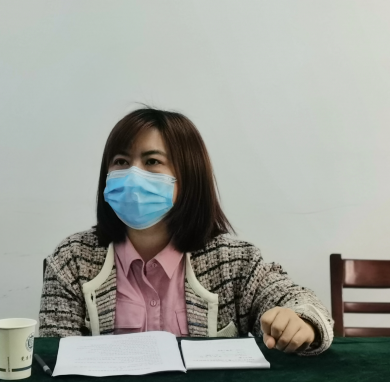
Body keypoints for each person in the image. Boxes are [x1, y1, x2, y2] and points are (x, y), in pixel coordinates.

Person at [39, 108, 334, 355]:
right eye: (121, 162)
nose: (133, 175)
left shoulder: (234, 261)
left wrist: (300, 321)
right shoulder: (72, 260)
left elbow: (301, 302)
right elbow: (54, 355)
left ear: (189, 176)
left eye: (152, 162)